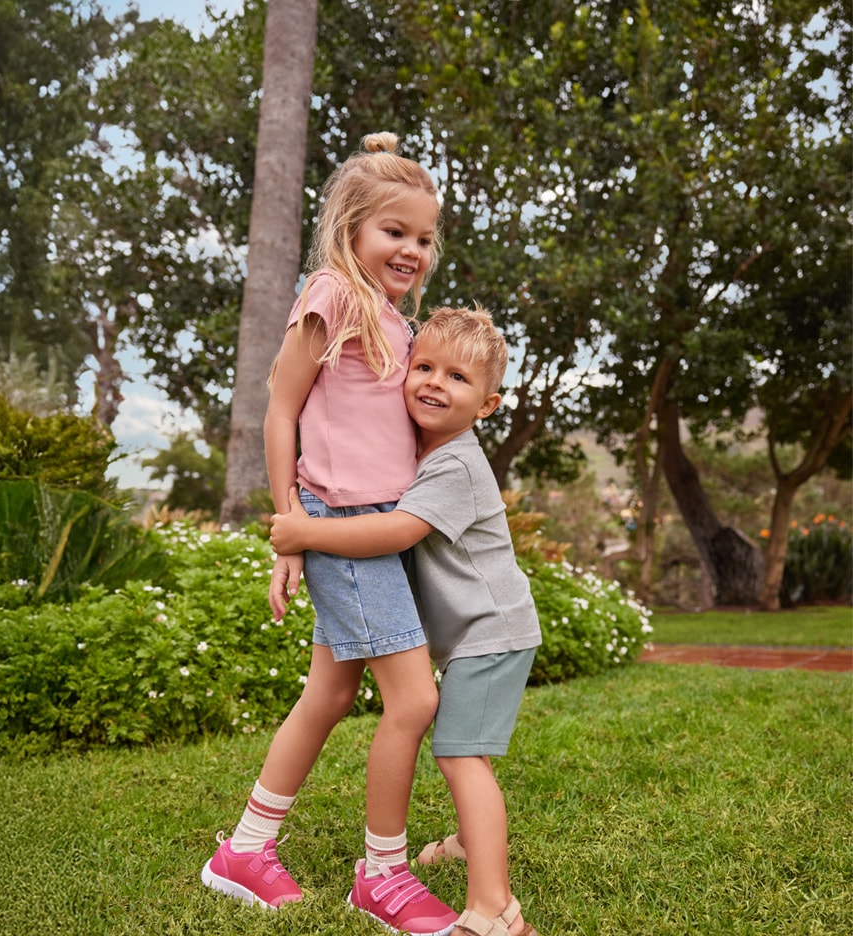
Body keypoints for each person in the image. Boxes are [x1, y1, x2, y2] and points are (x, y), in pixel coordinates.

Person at [201, 132, 459, 936]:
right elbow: (281, 408)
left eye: (423, 237)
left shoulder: (392, 319)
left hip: (372, 530)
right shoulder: (333, 295)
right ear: (351, 227)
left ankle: (245, 849)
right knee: (413, 700)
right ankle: (383, 875)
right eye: (395, 232)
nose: (411, 249)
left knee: (330, 691)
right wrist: (290, 527)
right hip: (345, 526)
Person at [270, 305, 543, 936]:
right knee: (462, 752)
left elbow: (399, 529)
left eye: (456, 378)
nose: (433, 383)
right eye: (424, 366)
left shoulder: (455, 465)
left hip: (491, 635)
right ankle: (471, 843)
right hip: (480, 635)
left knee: (461, 758)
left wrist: (306, 531)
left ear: (487, 406)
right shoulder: (419, 452)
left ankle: (493, 908)